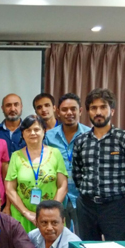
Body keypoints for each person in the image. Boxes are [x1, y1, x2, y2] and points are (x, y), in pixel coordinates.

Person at [72, 88, 125, 241]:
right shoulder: (81, 141)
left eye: (103, 107)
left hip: (115, 207)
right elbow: (77, 173)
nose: (98, 112)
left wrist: (121, 193)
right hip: (86, 207)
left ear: (112, 111)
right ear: (88, 112)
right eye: (93, 108)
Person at [5, 115, 68, 233]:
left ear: (44, 131)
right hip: (22, 217)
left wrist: (50, 212)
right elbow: (10, 189)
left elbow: (62, 186)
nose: (32, 133)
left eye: (36, 129)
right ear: (23, 134)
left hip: (50, 219)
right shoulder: (15, 156)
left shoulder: (55, 153)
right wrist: (26, 213)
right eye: (28, 130)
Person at [45, 93, 91, 233]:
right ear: (58, 112)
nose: (69, 113)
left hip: (83, 196)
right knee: (57, 235)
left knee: (83, 237)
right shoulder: (48, 136)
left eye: (73, 109)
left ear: (80, 111)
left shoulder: (90, 135)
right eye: (64, 110)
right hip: (57, 195)